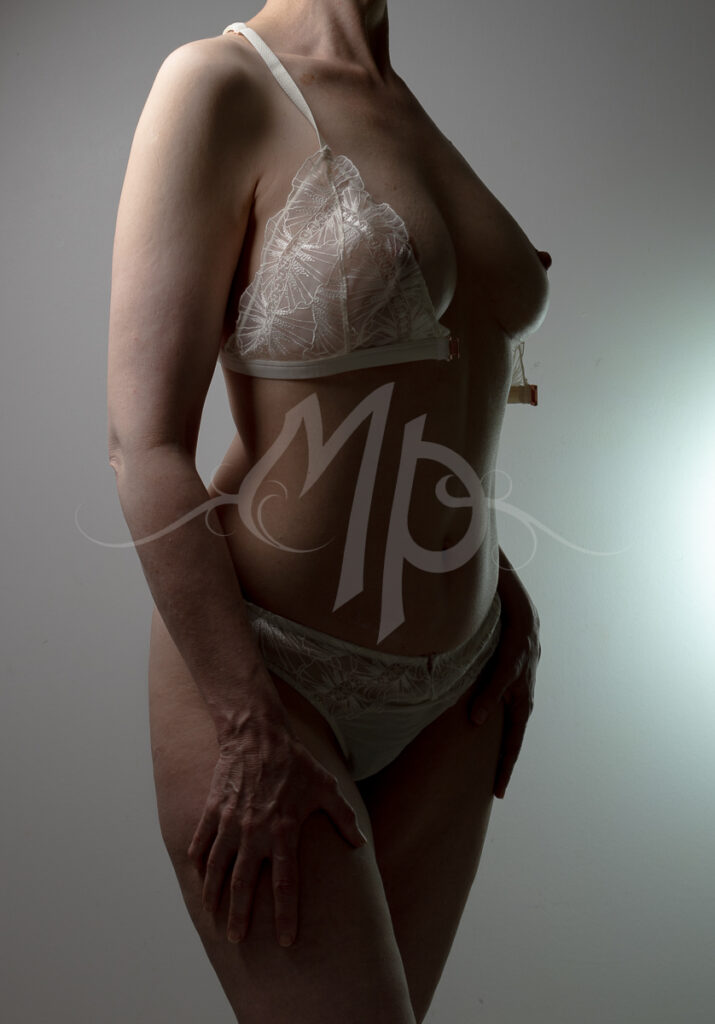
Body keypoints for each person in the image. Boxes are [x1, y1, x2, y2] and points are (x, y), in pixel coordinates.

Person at [107, 2, 550, 1021]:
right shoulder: (217, 85)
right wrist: (245, 719)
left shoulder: (403, 107)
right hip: (269, 676)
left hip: (460, 692)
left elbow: (436, 395)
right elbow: (146, 445)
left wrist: (495, 580)